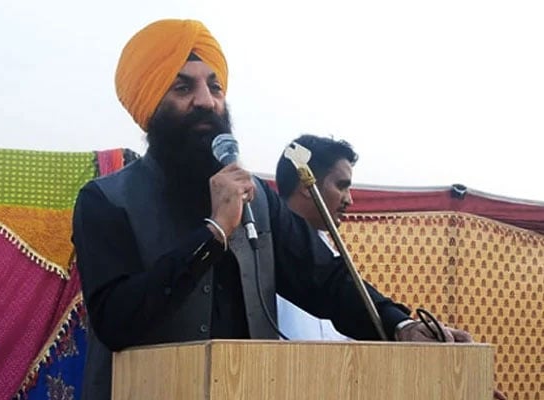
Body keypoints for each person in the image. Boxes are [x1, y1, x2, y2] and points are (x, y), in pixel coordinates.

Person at [71, 18, 480, 400]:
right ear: (149, 109)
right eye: (183, 89)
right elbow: (116, 320)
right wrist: (214, 231)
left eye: (214, 87)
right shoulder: (105, 201)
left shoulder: (258, 198)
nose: (207, 102)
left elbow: (326, 280)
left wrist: (401, 325)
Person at [274, 134, 358, 341]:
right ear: (306, 185)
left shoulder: (330, 255)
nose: (350, 199)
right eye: (341, 186)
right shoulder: (262, 248)